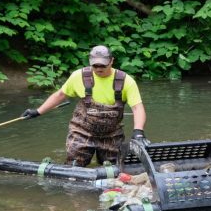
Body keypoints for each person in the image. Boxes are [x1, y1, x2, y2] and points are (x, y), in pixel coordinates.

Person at [21, 45, 149, 167]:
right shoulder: (79, 76)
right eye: (95, 65)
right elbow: (60, 95)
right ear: (90, 61)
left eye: (103, 65)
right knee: (74, 167)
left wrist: (138, 131)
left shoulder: (126, 81)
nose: (99, 68)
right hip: (81, 131)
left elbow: (137, 107)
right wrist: (38, 111)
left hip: (112, 134)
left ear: (111, 61)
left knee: (115, 168)